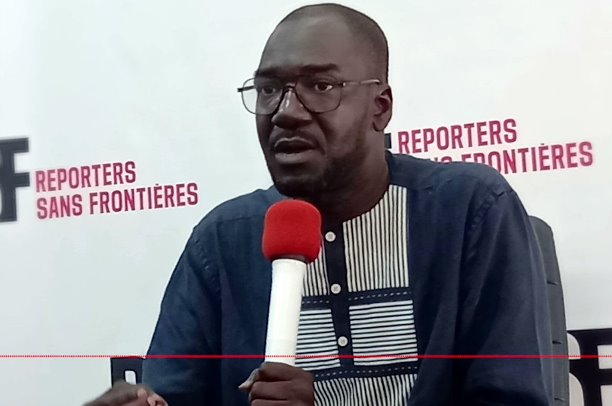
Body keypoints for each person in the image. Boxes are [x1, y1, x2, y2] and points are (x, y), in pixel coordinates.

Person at [85, 3, 554, 405]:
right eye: (269, 89)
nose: (286, 111)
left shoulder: (470, 210)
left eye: (321, 87)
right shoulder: (223, 240)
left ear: (380, 107)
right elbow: (175, 394)